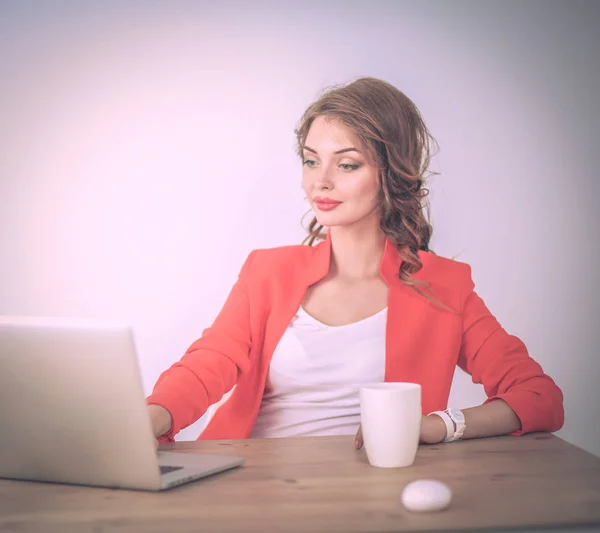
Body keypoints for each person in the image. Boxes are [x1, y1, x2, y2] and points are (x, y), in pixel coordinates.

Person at [146, 77, 564, 448]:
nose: (320, 180)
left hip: (369, 495)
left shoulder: (443, 287)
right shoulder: (267, 272)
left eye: (347, 164)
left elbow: (537, 396)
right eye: (311, 160)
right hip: (246, 487)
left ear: (392, 172)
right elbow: (206, 366)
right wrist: (149, 418)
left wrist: (438, 425)